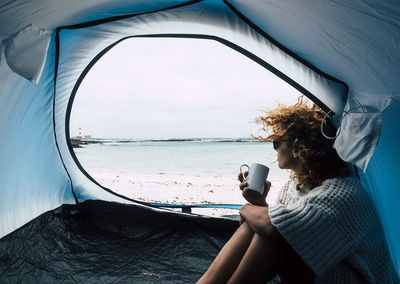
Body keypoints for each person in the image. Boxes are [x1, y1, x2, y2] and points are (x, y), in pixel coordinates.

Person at [197, 97, 399, 283]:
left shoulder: (343, 193)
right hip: (320, 274)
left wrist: (246, 208)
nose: (274, 149)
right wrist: (259, 204)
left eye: (277, 143)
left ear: (297, 147)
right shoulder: (293, 188)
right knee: (263, 227)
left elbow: (272, 227)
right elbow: (268, 225)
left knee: (273, 233)